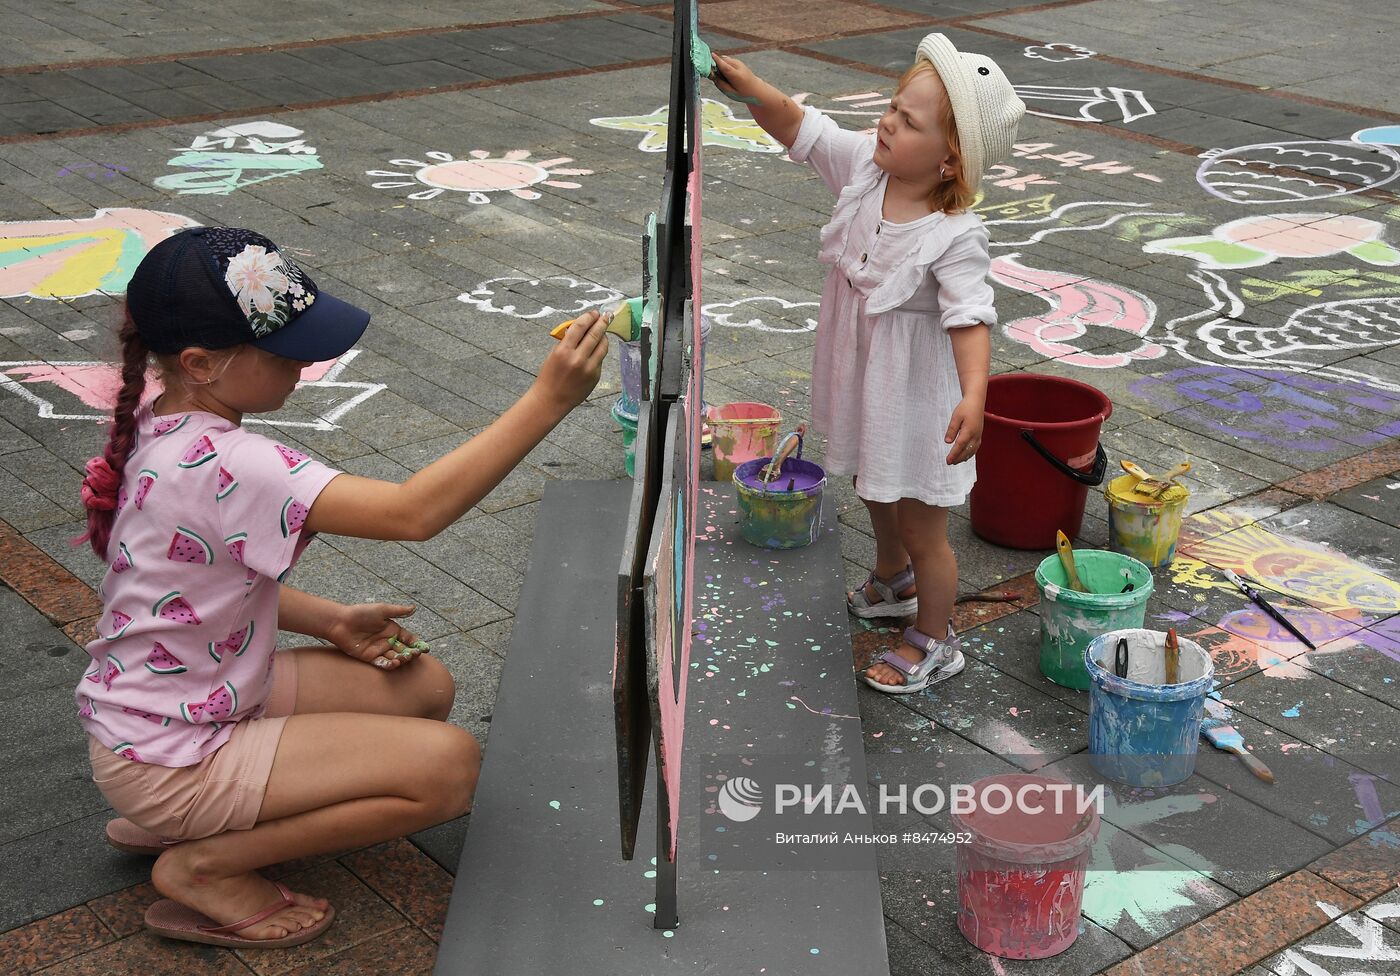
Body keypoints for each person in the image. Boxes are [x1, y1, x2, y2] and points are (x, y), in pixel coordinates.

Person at [74, 227, 608, 946]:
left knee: (421, 690)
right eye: (286, 351)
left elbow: (186, 585)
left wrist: (329, 620)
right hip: (175, 753)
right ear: (201, 362)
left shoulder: (157, 417)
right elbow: (412, 513)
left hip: (168, 709)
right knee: (450, 771)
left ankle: (189, 812)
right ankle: (207, 862)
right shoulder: (234, 460)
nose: (308, 362)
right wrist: (550, 399)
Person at [711, 35, 1024, 693]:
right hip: (868, 383)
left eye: (908, 122)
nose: (886, 122)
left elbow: (970, 318)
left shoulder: (954, 235)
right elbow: (803, 127)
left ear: (950, 160)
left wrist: (974, 394)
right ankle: (892, 579)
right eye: (892, 107)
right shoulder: (865, 170)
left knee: (921, 522)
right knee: (870, 484)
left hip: (915, 400)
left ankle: (936, 638)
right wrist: (752, 88)